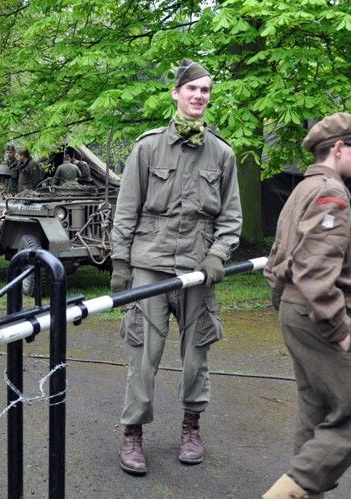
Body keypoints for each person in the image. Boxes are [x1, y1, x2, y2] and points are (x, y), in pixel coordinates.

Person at [111, 59, 242, 475]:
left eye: (205, 90)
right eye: (192, 89)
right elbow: (126, 209)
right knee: (143, 356)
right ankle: (132, 433)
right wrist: (119, 262)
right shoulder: (147, 147)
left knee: (196, 354)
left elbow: (231, 217)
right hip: (149, 264)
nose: (199, 96)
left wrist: (217, 255)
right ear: (176, 93)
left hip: (197, 268)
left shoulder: (222, 153)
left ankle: (191, 427)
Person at [262, 113, 351, 499]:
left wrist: (286, 305)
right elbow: (314, 270)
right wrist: (337, 327)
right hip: (319, 314)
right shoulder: (331, 193)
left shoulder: (303, 189)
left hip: (297, 310)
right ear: (339, 148)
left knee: (317, 412)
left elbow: (278, 258)